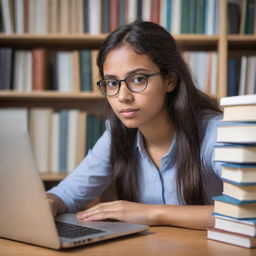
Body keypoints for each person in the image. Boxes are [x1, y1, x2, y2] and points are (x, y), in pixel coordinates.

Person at [47, 21, 223, 230]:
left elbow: (248, 213)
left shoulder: (216, 133)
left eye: (138, 79)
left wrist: (152, 213)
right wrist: (48, 205)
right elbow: (66, 195)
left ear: (170, 80)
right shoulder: (117, 134)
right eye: (112, 82)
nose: (123, 97)